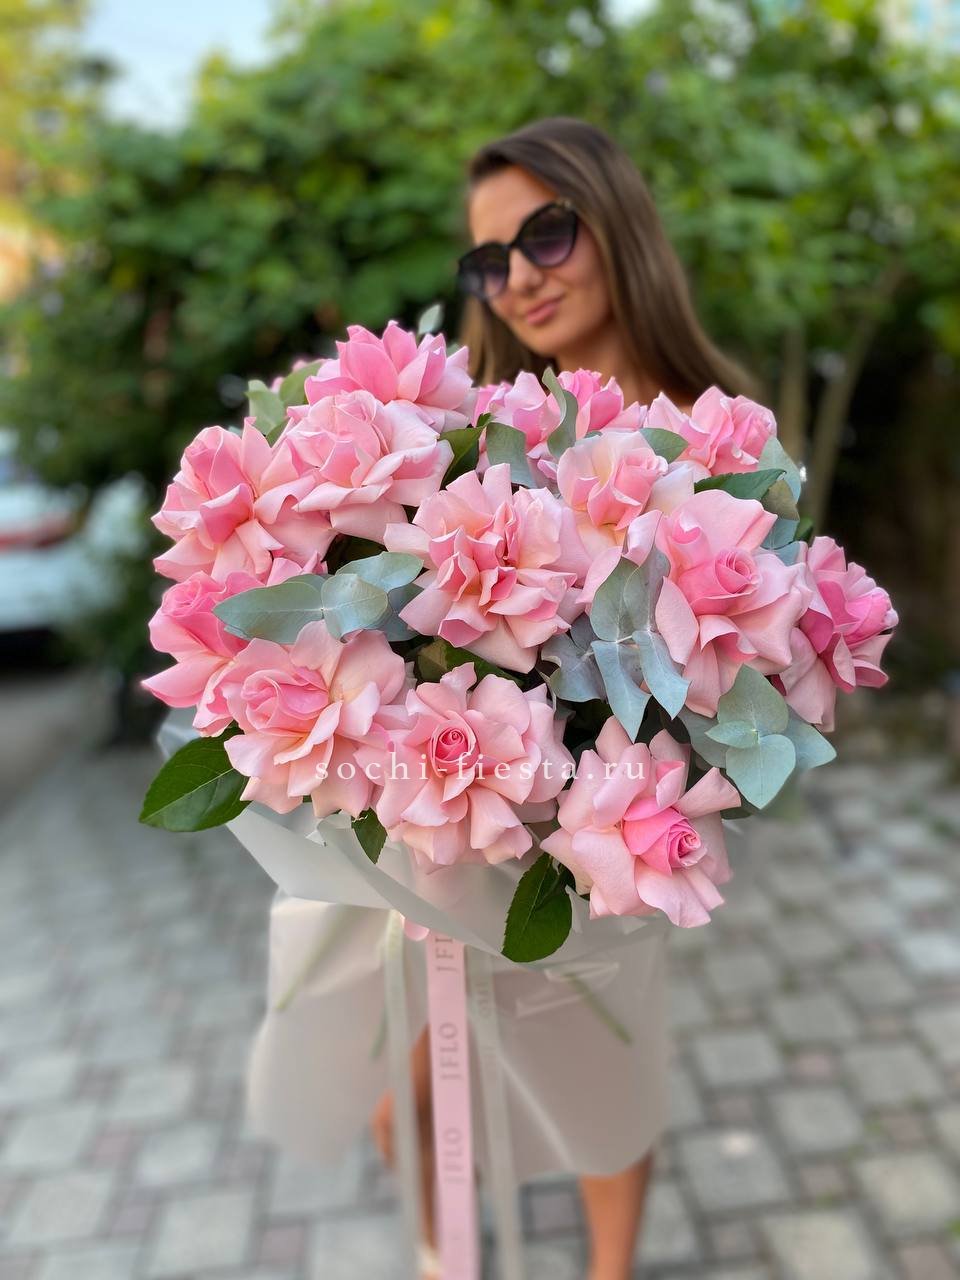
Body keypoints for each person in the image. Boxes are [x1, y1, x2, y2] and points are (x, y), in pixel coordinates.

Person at [369, 117, 752, 1280]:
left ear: (613, 219)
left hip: (616, 836)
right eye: (491, 259)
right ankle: (444, 1257)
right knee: (402, 1103)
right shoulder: (482, 430)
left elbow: (742, 676)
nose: (520, 276)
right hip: (457, 832)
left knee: (601, 1073)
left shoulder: (721, 434)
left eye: (545, 232)